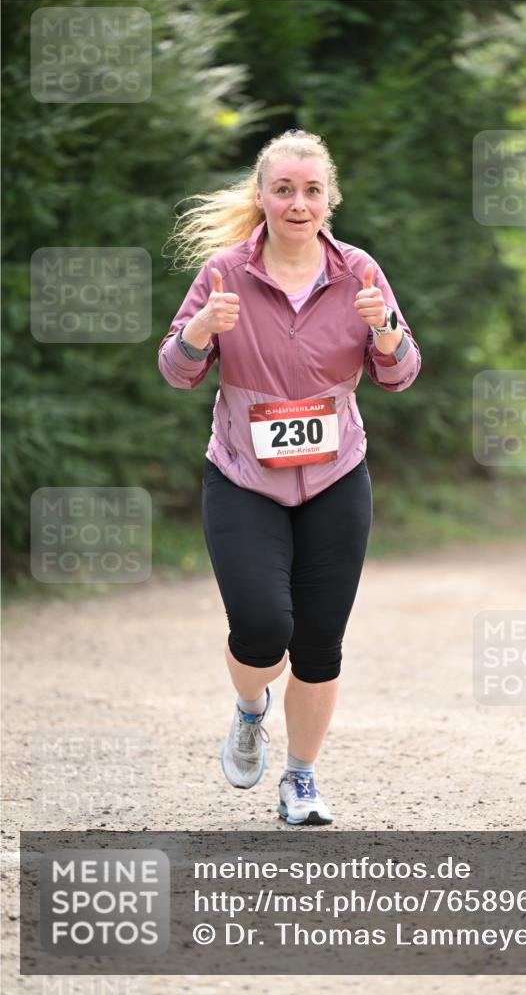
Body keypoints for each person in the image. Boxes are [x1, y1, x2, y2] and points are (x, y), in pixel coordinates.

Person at [159, 129, 421, 826]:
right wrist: (199, 332)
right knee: (261, 628)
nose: (297, 202)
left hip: (336, 478)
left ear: (327, 198)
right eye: (284, 189)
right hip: (243, 477)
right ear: (262, 196)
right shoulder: (223, 274)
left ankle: (299, 779)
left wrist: (387, 333)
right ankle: (250, 710)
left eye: (310, 190)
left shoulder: (358, 271)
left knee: (317, 644)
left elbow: (399, 373)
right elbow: (177, 371)